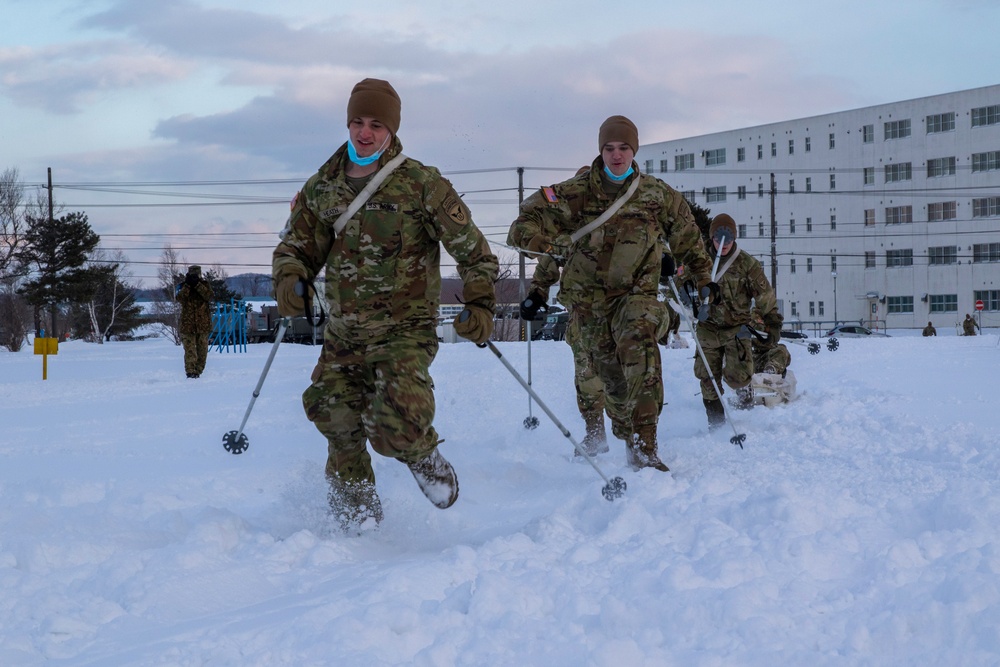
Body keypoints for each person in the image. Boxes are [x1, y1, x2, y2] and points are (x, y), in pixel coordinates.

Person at [272, 78, 499, 531]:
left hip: (403, 331)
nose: (364, 133)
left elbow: (474, 252)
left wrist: (480, 303)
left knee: (393, 424)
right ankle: (357, 513)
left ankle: (420, 452)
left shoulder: (422, 184)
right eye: (357, 122)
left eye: (376, 124)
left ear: (391, 129)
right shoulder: (323, 187)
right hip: (344, 332)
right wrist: (291, 279)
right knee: (332, 412)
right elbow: (296, 247)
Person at [508, 115, 717, 472]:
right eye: (609, 148)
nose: (616, 155)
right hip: (588, 308)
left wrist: (702, 280)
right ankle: (620, 429)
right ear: (600, 150)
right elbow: (521, 226)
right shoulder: (576, 192)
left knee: (641, 344)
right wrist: (548, 245)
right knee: (611, 387)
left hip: (635, 297)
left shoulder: (656, 195)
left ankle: (646, 448)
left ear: (634, 150)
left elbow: (688, 238)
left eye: (623, 148)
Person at [520, 167, 616, 457]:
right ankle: (595, 435)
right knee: (587, 379)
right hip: (581, 315)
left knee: (622, 376)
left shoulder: (621, 223)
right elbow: (549, 263)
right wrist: (536, 295)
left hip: (618, 312)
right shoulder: (568, 230)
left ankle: (637, 434)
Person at [693, 213, 782, 429]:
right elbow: (682, 284)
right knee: (707, 379)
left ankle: (743, 386)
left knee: (739, 377)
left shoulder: (747, 264)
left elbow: (765, 295)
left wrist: (772, 322)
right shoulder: (699, 260)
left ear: (734, 238)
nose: (723, 244)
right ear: (712, 237)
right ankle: (716, 425)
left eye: (729, 238)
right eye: (718, 238)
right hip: (708, 328)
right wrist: (694, 297)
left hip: (736, 329)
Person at [176, 265, 213, 378]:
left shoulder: (205, 285)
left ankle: (198, 371)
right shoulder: (183, 286)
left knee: (202, 352)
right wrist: (187, 285)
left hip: (203, 325)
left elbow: (209, 296)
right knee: (190, 351)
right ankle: (191, 372)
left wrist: (197, 285)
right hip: (188, 326)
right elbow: (180, 298)